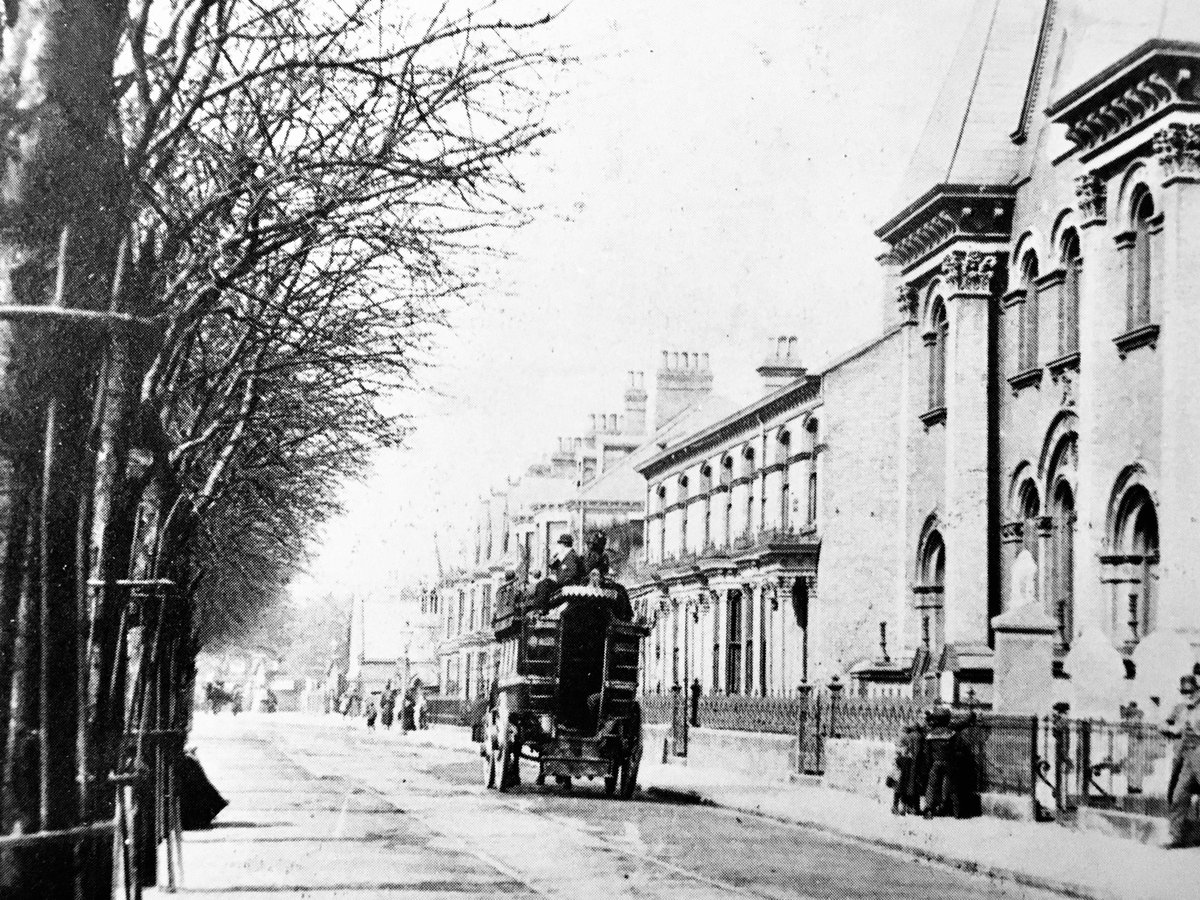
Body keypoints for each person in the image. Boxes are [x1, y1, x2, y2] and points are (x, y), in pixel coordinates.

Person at [1164, 673, 1200, 848]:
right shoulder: (1183, 708)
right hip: (1188, 755)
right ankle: (1176, 837)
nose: (1188, 694)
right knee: (1179, 794)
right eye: (1184, 691)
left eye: (1191, 691)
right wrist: (1170, 729)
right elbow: (1173, 727)